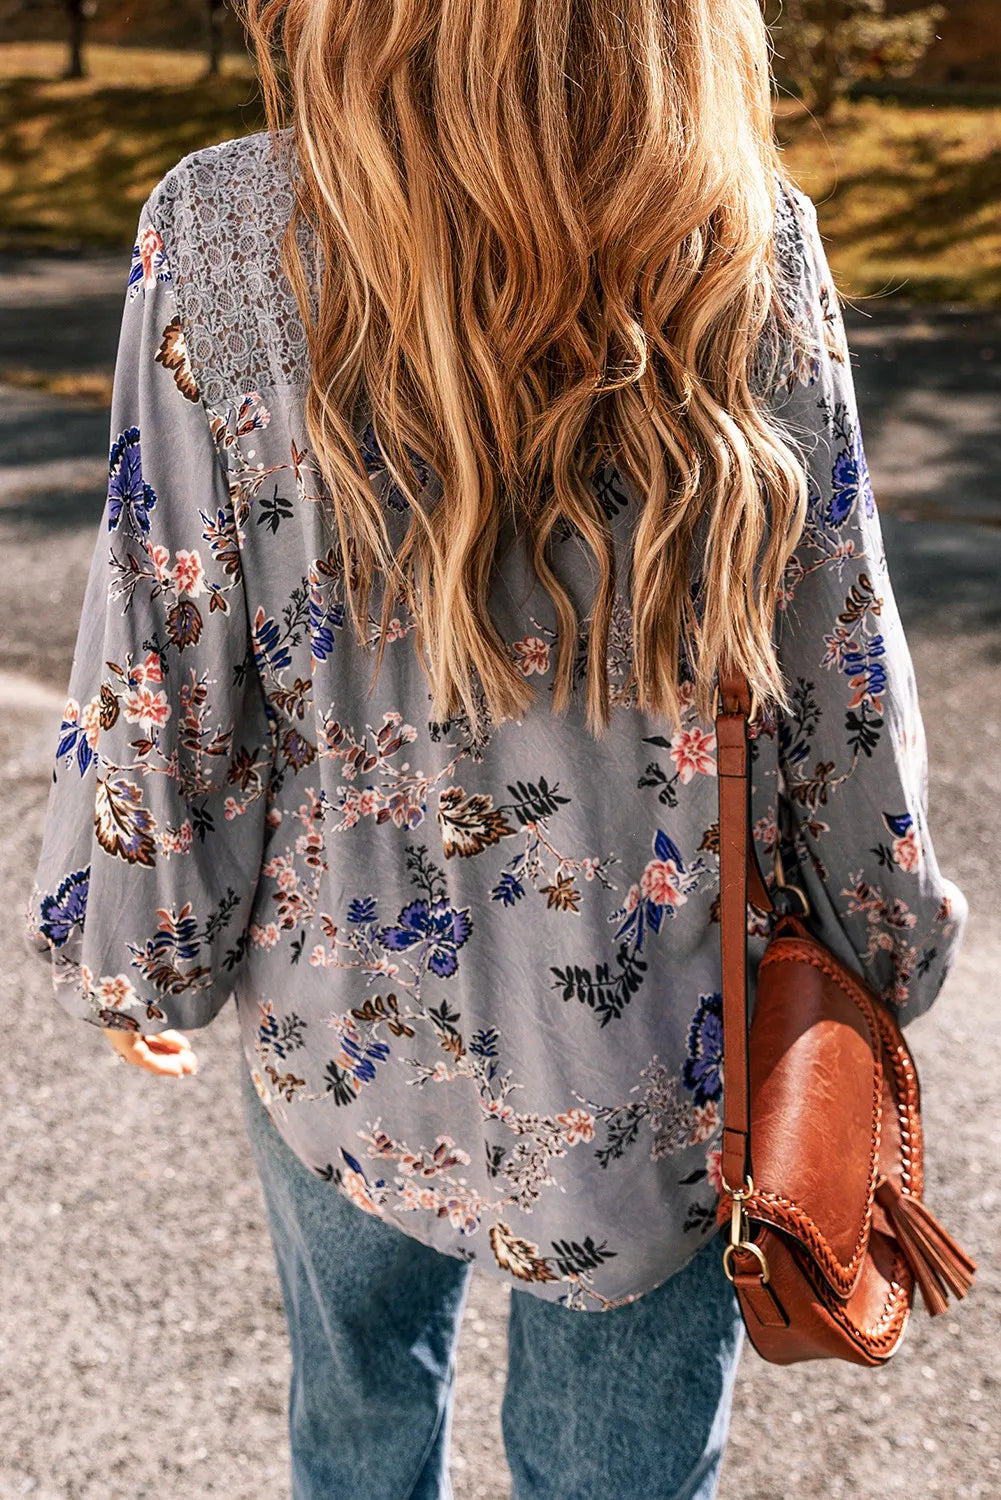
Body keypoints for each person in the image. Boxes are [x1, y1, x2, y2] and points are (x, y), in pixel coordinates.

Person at [25, 1, 968, 1496]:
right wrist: (880, 943)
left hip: (339, 1016)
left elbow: (166, 653)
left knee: (353, 1423)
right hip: (663, 1060)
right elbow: (835, 666)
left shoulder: (220, 231)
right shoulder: (740, 236)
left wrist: (142, 947)